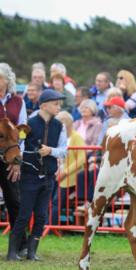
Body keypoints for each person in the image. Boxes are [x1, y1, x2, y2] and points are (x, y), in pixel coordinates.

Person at [7, 89, 67, 261]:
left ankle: (32, 252)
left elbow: (63, 151)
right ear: (44, 105)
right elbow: (19, 147)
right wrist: (25, 160)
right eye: (55, 103)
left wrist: (50, 151)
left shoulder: (59, 125)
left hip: (48, 177)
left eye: (59, 103)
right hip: (29, 177)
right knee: (23, 215)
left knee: (41, 216)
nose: (58, 106)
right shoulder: (29, 124)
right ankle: (12, 252)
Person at [0, 63, 27, 255]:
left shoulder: (18, 101)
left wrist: (17, 162)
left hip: (10, 158)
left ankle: (21, 245)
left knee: (15, 201)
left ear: (8, 80)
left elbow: (22, 132)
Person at [51, 111, 86, 225]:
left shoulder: (76, 137)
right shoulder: (57, 137)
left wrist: (65, 172)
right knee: (49, 201)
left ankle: (49, 226)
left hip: (70, 177)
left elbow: (81, 159)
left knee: (57, 201)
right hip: (55, 173)